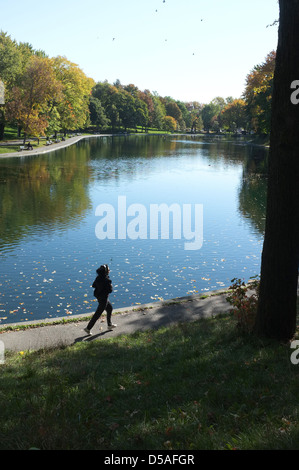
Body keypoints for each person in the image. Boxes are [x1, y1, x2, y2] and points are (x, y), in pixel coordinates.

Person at [84, 264, 117, 336]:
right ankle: (88, 328)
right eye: (108, 270)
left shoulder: (98, 277)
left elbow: (93, 285)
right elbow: (110, 290)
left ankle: (109, 325)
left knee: (110, 308)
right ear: (106, 272)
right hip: (104, 299)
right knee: (97, 314)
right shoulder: (107, 280)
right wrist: (110, 286)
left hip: (99, 297)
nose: (109, 270)